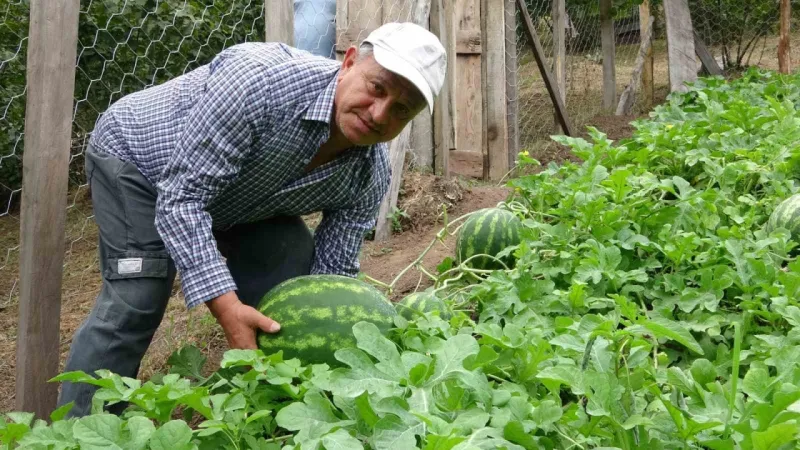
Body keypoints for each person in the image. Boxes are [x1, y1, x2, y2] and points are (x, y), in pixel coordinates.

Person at [57, 21, 447, 417]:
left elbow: (331, 281)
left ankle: (274, 404)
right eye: (376, 88)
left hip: (235, 196)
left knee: (292, 263)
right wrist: (226, 307)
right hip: (139, 161)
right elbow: (182, 199)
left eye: (401, 109)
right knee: (137, 297)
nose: (379, 114)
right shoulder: (259, 81)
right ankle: (79, 431)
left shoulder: (369, 176)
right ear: (348, 63)